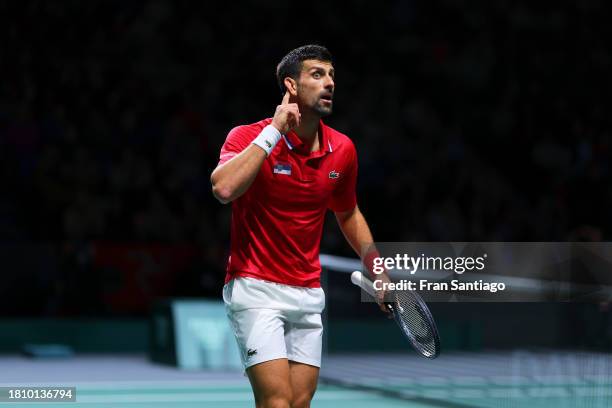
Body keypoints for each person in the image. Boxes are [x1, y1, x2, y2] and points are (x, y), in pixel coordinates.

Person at [211, 44, 384, 408]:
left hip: (306, 293)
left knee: (300, 403)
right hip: (255, 288)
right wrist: (274, 131)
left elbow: (348, 213)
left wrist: (378, 271)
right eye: (317, 75)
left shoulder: (343, 150)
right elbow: (224, 188)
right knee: (276, 402)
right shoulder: (247, 136)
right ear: (291, 85)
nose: (329, 83)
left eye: (332, 75)